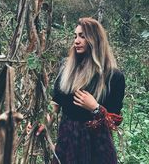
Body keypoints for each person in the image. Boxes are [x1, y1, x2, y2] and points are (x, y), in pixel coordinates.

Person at [51, 17, 125, 164]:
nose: (76, 41)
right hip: (68, 140)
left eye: (82, 36)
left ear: (95, 40)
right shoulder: (67, 70)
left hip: (97, 146)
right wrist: (43, 122)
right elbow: (55, 103)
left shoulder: (113, 77)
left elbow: (114, 121)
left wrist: (95, 108)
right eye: (75, 36)